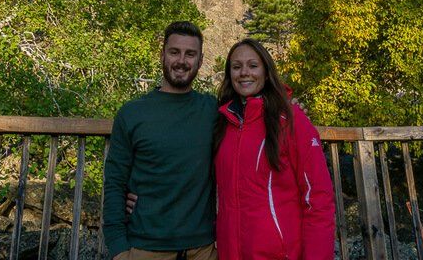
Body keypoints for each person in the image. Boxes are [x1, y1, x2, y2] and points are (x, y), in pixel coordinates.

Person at [102, 21, 218, 260]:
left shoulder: (214, 110)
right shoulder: (132, 113)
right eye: (174, 52)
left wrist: (288, 108)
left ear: (200, 60)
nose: (181, 61)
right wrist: (118, 249)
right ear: (162, 54)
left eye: (190, 54)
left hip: (202, 249)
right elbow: (115, 182)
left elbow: (258, 113)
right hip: (146, 248)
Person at [214, 38, 335, 259]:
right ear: (229, 74)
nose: (244, 72)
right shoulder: (223, 122)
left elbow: (318, 199)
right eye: (236, 66)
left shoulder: (290, 119)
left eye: (253, 65)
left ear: (266, 71)